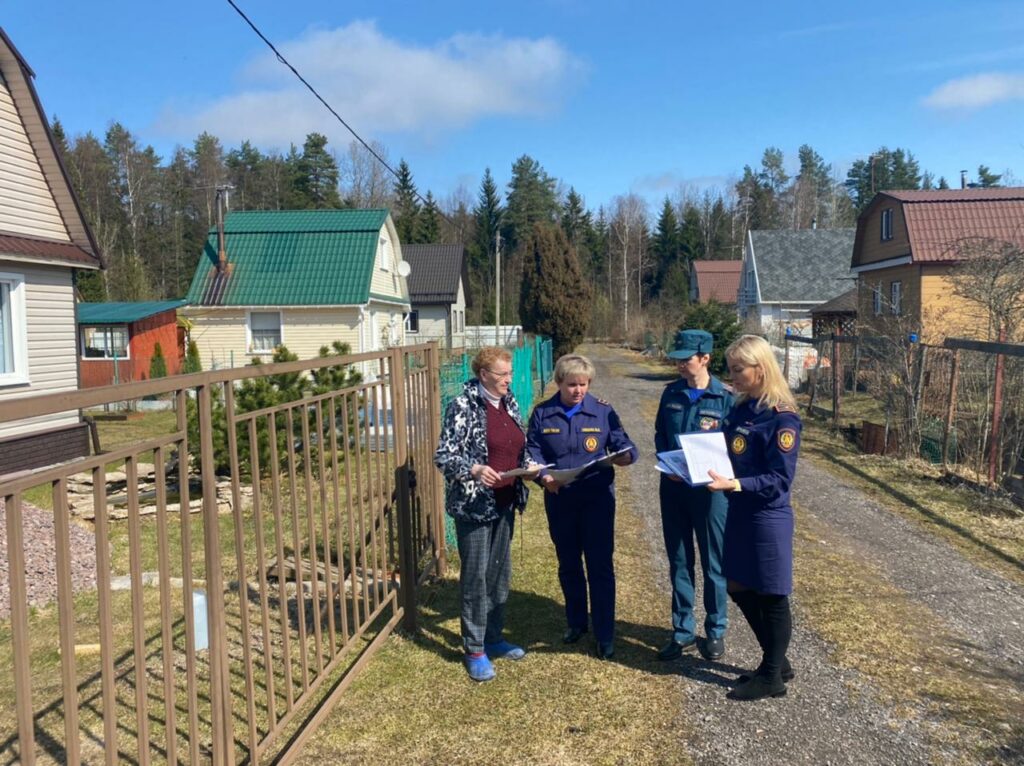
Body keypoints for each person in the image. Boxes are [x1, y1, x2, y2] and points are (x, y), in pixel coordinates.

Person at [434, 347, 538, 682]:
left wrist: (528, 465)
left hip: (505, 501)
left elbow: (517, 444)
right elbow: (444, 456)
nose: (509, 379)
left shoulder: (510, 402)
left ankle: (494, 637)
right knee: (476, 578)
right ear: (484, 375)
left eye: (510, 373)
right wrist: (475, 469)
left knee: (498, 575)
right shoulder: (462, 405)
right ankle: (474, 648)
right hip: (474, 506)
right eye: (502, 374)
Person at [707, 334, 801, 701]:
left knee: (771, 594)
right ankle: (777, 662)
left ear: (760, 369)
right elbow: (725, 449)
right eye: (730, 369)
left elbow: (779, 480)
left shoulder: (782, 418)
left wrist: (735, 483)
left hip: (767, 516)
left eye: (737, 370)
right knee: (737, 584)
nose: (731, 376)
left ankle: (772, 676)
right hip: (740, 509)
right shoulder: (742, 408)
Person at [526, 354, 637, 660]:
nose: (578, 390)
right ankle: (576, 622)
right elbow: (532, 451)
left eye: (584, 384)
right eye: (572, 384)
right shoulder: (543, 413)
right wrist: (543, 476)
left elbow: (624, 445)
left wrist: (625, 456)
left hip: (597, 499)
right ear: (559, 382)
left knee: (600, 566)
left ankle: (605, 633)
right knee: (569, 563)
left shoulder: (602, 411)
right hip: (560, 498)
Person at [655, 329, 734, 662]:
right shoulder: (671, 393)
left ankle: (715, 631)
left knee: (713, 562)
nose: (679, 365)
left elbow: (736, 446)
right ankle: (683, 631)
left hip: (710, 493)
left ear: (705, 359)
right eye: (677, 359)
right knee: (679, 560)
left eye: (686, 359)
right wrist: (666, 462)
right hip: (674, 488)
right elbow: (660, 434)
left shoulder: (725, 398)